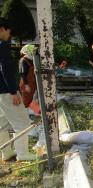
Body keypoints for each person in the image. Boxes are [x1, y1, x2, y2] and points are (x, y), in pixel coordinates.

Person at [0, 18, 35, 161]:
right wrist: (13, 92)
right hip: (7, 91)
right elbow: (5, 69)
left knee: (1, 124)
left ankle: (6, 152)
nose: (10, 36)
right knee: (22, 123)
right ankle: (23, 154)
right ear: (3, 29)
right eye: (9, 32)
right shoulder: (2, 45)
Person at [19, 44, 36, 109]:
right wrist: (26, 85)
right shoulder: (23, 60)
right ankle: (24, 116)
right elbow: (23, 74)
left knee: (31, 101)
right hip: (26, 84)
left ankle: (34, 114)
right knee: (25, 102)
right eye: (32, 50)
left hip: (32, 84)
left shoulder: (32, 60)